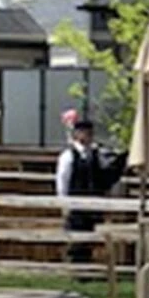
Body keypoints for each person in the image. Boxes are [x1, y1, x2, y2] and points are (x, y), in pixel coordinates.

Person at [56, 112, 122, 265]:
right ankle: (76, 267)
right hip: (75, 201)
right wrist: (63, 203)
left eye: (90, 132)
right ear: (76, 134)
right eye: (84, 132)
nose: (87, 135)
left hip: (92, 201)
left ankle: (86, 267)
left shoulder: (96, 154)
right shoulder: (68, 155)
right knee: (76, 236)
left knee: (89, 235)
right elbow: (63, 180)